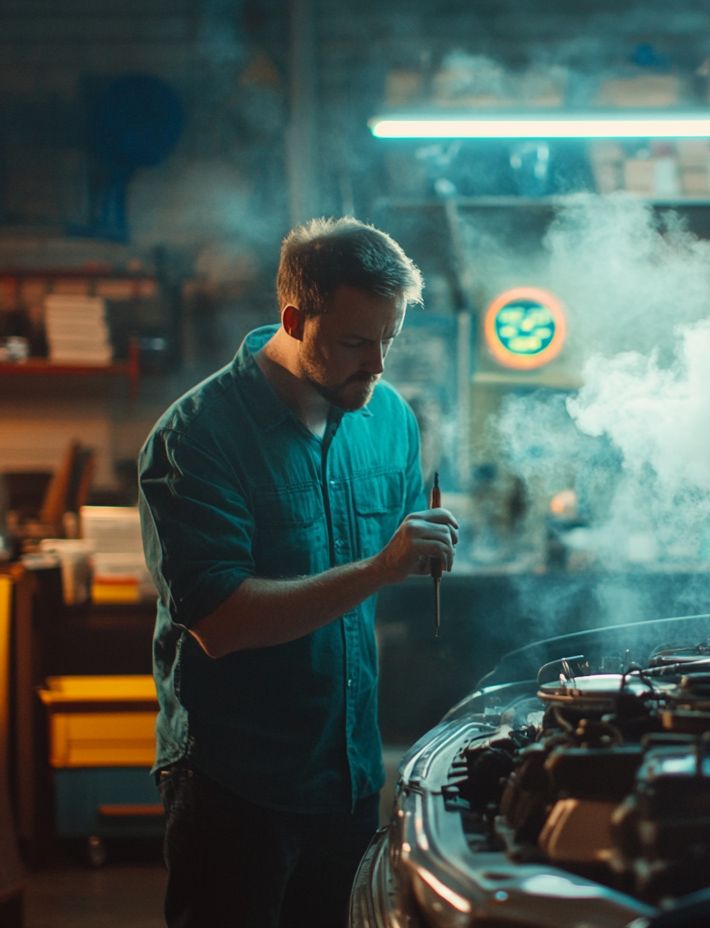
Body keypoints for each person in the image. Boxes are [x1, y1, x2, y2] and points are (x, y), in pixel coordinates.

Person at [138, 216, 459, 928]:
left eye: (389, 340)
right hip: (234, 782)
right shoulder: (199, 438)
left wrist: (423, 545)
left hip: (346, 772)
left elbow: (401, 543)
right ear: (293, 319)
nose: (376, 364)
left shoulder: (388, 420)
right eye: (353, 342)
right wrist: (383, 567)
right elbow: (221, 622)